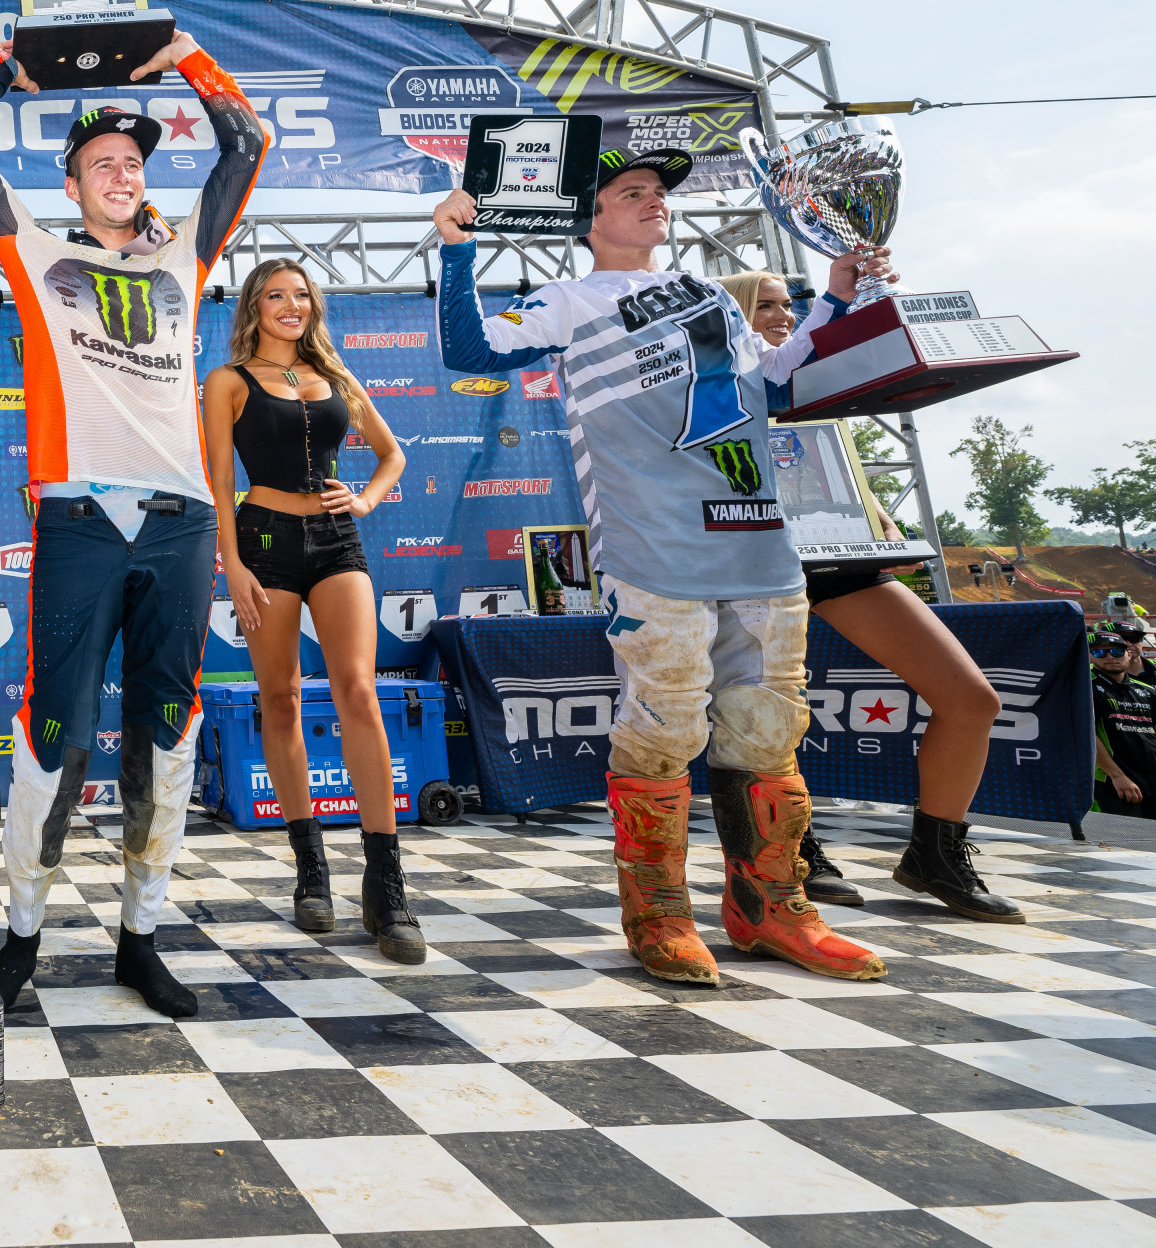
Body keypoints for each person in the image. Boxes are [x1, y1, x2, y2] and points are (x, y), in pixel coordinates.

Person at [434, 148, 886, 985]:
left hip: (758, 544)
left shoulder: (712, 292)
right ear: (589, 218)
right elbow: (470, 349)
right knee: (665, 729)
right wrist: (457, 245)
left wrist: (840, 292)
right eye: (632, 192)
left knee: (768, 729)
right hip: (654, 550)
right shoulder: (567, 301)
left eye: (659, 194)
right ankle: (659, 916)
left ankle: (770, 910)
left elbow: (779, 384)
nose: (654, 203)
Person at [0, 28, 266, 1017]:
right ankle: (24, 936)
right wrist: (5, 69)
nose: (121, 173)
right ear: (73, 184)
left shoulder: (188, 254)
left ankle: (141, 932)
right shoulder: (34, 253)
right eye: (101, 164)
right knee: (56, 734)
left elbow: (245, 143)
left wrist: (191, 61)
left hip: (181, 522)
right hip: (80, 518)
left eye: (133, 161)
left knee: (165, 730)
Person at [720, 269, 1021, 921]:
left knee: (972, 700)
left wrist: (880, 516)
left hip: (843, 560)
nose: (780, 315)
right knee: (768, 717)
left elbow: (830, 464)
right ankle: (794, 846)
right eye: (762, 306)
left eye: (787, 305)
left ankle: (935, 855)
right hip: (752, 562)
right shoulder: (715, 384)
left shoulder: (818, 378)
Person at [202, 258, 422, 959]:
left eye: (301, 295)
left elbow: (393, 455)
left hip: (336, 538)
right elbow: (218, 478)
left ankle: (386, 885)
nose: (291, 306)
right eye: (276, 296)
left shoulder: (339, 377)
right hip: (263, 541)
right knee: (282, 698)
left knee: (359, 691)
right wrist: (232, 565)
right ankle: (311, 870)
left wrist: (361, 498)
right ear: (254, 308)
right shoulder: (228, 381)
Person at [1093, 628, 1155, 818]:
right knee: (1122, 844)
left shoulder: (1147, 691)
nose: (1110, 657)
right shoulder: (1086, 688)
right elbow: (1084, 735)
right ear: (1090, 656)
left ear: (1128, 654)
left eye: (1117, 651)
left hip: (1151, 778)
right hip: (1114, 782)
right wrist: (1117, 776)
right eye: (1100, 652)